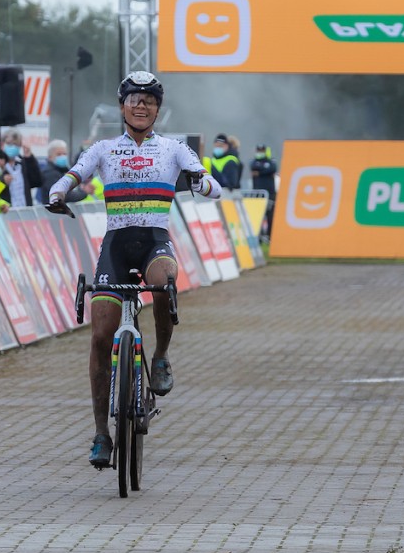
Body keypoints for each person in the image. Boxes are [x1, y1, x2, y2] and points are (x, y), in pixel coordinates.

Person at [48, 71, 222, 468]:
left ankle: (160, 356)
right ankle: (100, 435)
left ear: (158, 109)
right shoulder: (104, 148)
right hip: (116, 246)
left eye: (148, 100)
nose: (140, 105)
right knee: (100, 337)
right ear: (122, 106)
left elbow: (214, 186)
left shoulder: (175, 149)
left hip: (154, 242)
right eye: (133, 99)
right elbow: (74, 174)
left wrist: (201, 182)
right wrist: (58, 193)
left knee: (166, 281)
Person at [0, 127, 42, 208]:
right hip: (6, 211)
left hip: (24, 211)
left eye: (16, 144)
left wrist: (29, 158)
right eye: (9, 144)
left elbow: (37, 181)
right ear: (2, 144)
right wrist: (2, 180)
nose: (13, 147)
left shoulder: (23, 163)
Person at [37, 139, 85, 205]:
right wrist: (83, 192)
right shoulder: (50, 174)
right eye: (59, 154)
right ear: (50, 157)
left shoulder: (62, 171)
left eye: (64, 154)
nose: (62, 156)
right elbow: (64, 196)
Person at [250, 143, 277, 239]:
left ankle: (270, 236)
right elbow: (253, 167)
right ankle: (259, 236)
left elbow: (272, 168)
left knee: (270, 216)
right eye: (258, 151)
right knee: (258, 216)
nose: (260, 153)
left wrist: (260, 172)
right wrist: (266, 172)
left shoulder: (270, 161)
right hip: (258, 194)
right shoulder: (254, 162)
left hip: (270, 193)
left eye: (262, 151)